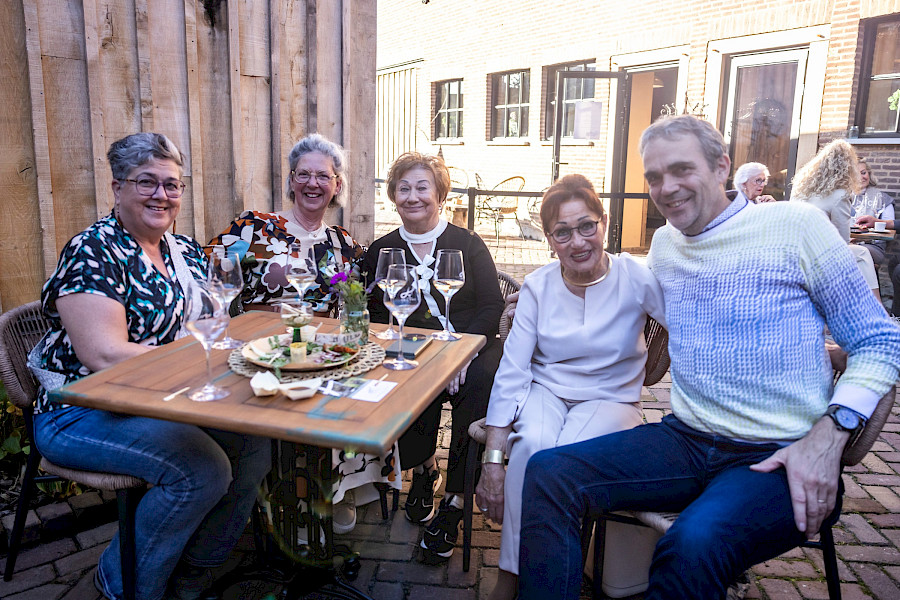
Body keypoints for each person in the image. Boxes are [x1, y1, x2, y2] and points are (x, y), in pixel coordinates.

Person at [517, 115, 900, 600]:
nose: (666, 187)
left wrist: (829, 437)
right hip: (688, 439)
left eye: (681, 169)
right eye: (654, 177)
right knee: (550, 474)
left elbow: (879, 341)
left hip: (778, 455)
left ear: (723, 167)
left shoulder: (796, 225)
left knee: (691, 545)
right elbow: (621, 290)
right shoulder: (665, 245)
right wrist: (544, 297)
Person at [28, 133, 272, 600]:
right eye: (147, 183)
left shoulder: (182, 250)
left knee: (255, 443)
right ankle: (125, 583)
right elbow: (103, 355)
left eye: (172, 185)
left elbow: (213, 320)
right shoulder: (94, 250)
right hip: (79, 409)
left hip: (159, 398)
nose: (162, 195)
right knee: (201, 471)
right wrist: (208, 353)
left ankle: (193, 570)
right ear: (118, 187)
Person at [475, 174, 665, 600]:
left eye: (586, 226)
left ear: (604, 222)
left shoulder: (636, 277)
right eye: (563, 232)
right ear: (549, 238)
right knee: (529, 447)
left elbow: (690, 327)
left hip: (612, 399)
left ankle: (543, 576)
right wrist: (492, 461)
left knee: (555, 463)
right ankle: (512, 577)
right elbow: (513, 370)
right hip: (546, 392)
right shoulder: (539, 286)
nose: (578, 242)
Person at [208, 133, 401, 534]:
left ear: (337, 186)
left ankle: (337, 490)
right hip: (260, 350)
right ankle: (289, 498)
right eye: (304, 174)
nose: (313, 184)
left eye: (323, 176)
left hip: (321, 352)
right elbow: (210, 275)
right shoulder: (255, 228)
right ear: (291, 180)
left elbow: (362, 299)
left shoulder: (343, 243)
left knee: (361, 389)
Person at [363, 151, 505, 560]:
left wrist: (459, 352)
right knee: (398, 378)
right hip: (412, 346)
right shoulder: (383, 249)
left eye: (422, 187)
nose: (413, 196)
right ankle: (425, 469)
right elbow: (376, 313)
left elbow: (491, 306)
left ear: (439, 194)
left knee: (481, 383)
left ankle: (457, 500)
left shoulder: (467, 243)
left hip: (472, 345)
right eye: (403, 188)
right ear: (393, 196)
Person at [790, 139, 880, 297]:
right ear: (848, 168)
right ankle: (878, 311)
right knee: (863, 254)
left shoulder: (801, 188)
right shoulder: (840, 195)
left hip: (795, 248)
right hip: (818, 255)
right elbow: (842, 242)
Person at [851, 158, 895, 268]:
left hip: (872, 247)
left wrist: (861, 237)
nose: (861, 177)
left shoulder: (883, 199)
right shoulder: (841, 197)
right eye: (856, 174)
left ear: (869, 174)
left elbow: (889, 229)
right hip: (845, 242)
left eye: (863, 172)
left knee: (846, 252)